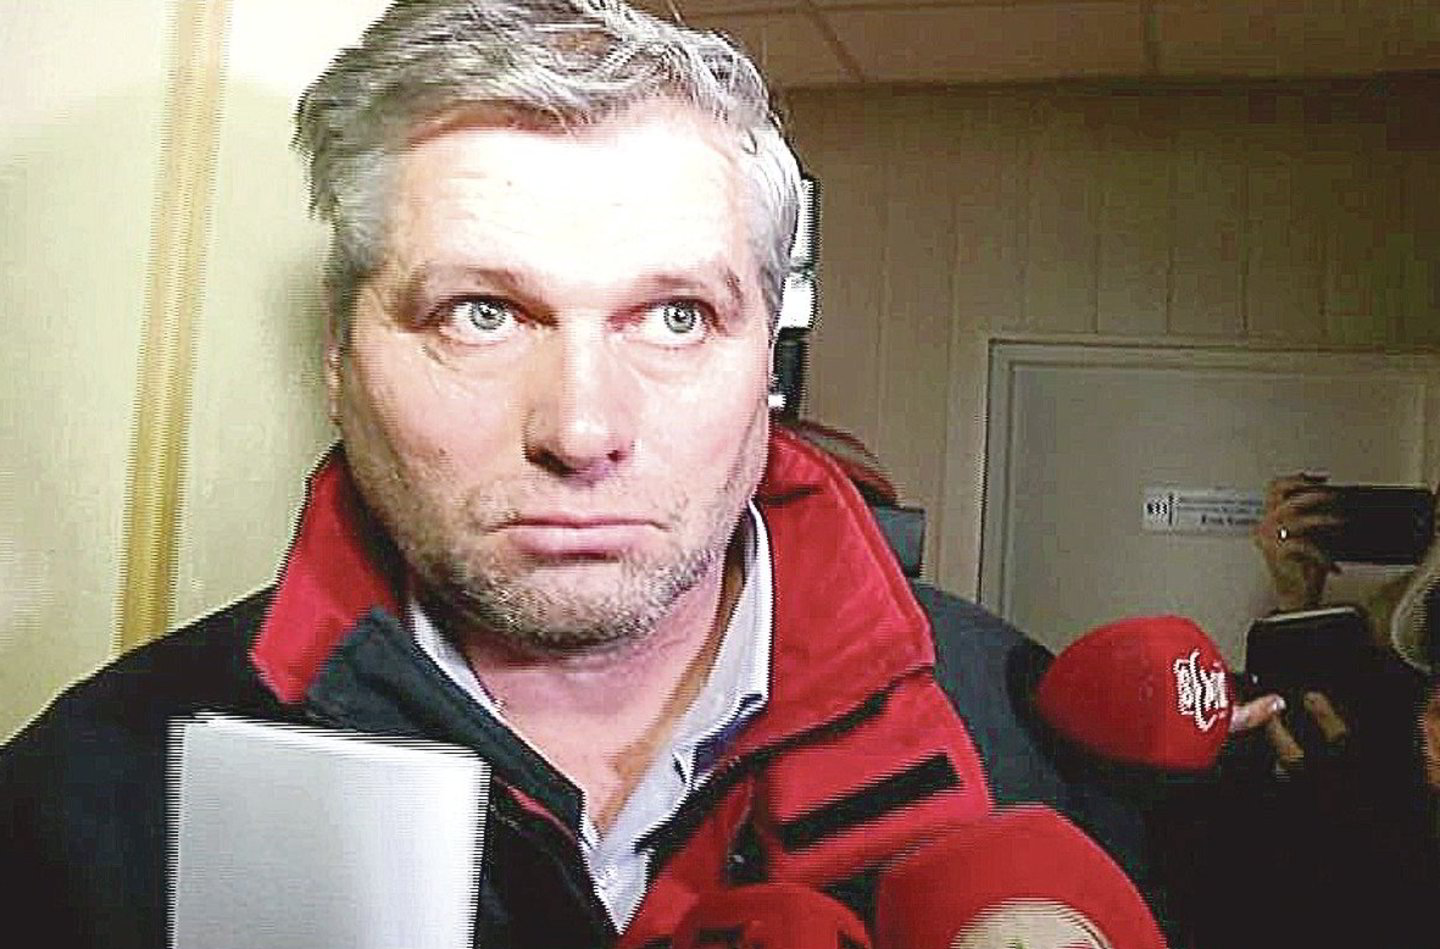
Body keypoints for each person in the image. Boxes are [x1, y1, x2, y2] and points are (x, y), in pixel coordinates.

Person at [0, 3, 1156, 947]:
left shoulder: (1037, 750)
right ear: (340, 359)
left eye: (675, 315)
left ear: (769, 361)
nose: (583, 427)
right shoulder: (79, 804)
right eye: (482, 312)